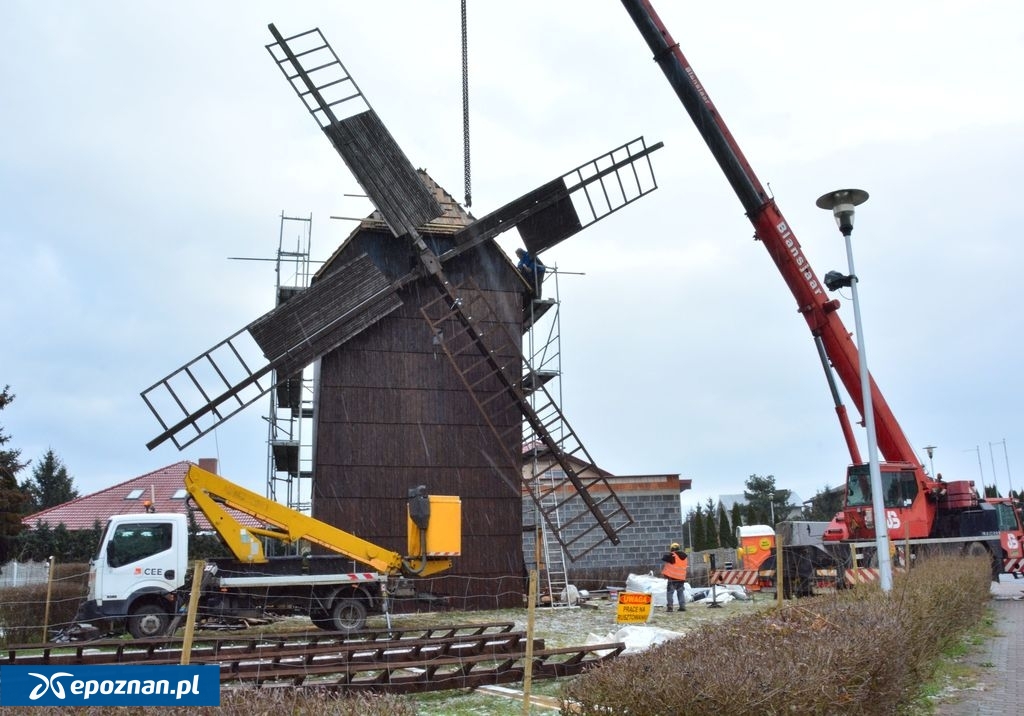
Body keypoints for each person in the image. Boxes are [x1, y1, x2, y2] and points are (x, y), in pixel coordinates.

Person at [661, 542, 688, 612]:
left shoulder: (673, 555)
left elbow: (664, 558)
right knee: (680, 592)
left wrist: (670, 554)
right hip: (681, 578)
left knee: (670, 592)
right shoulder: (684, 557)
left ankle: (670, 607)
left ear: (672, 549)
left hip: (673, 578)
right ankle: (682, 606)